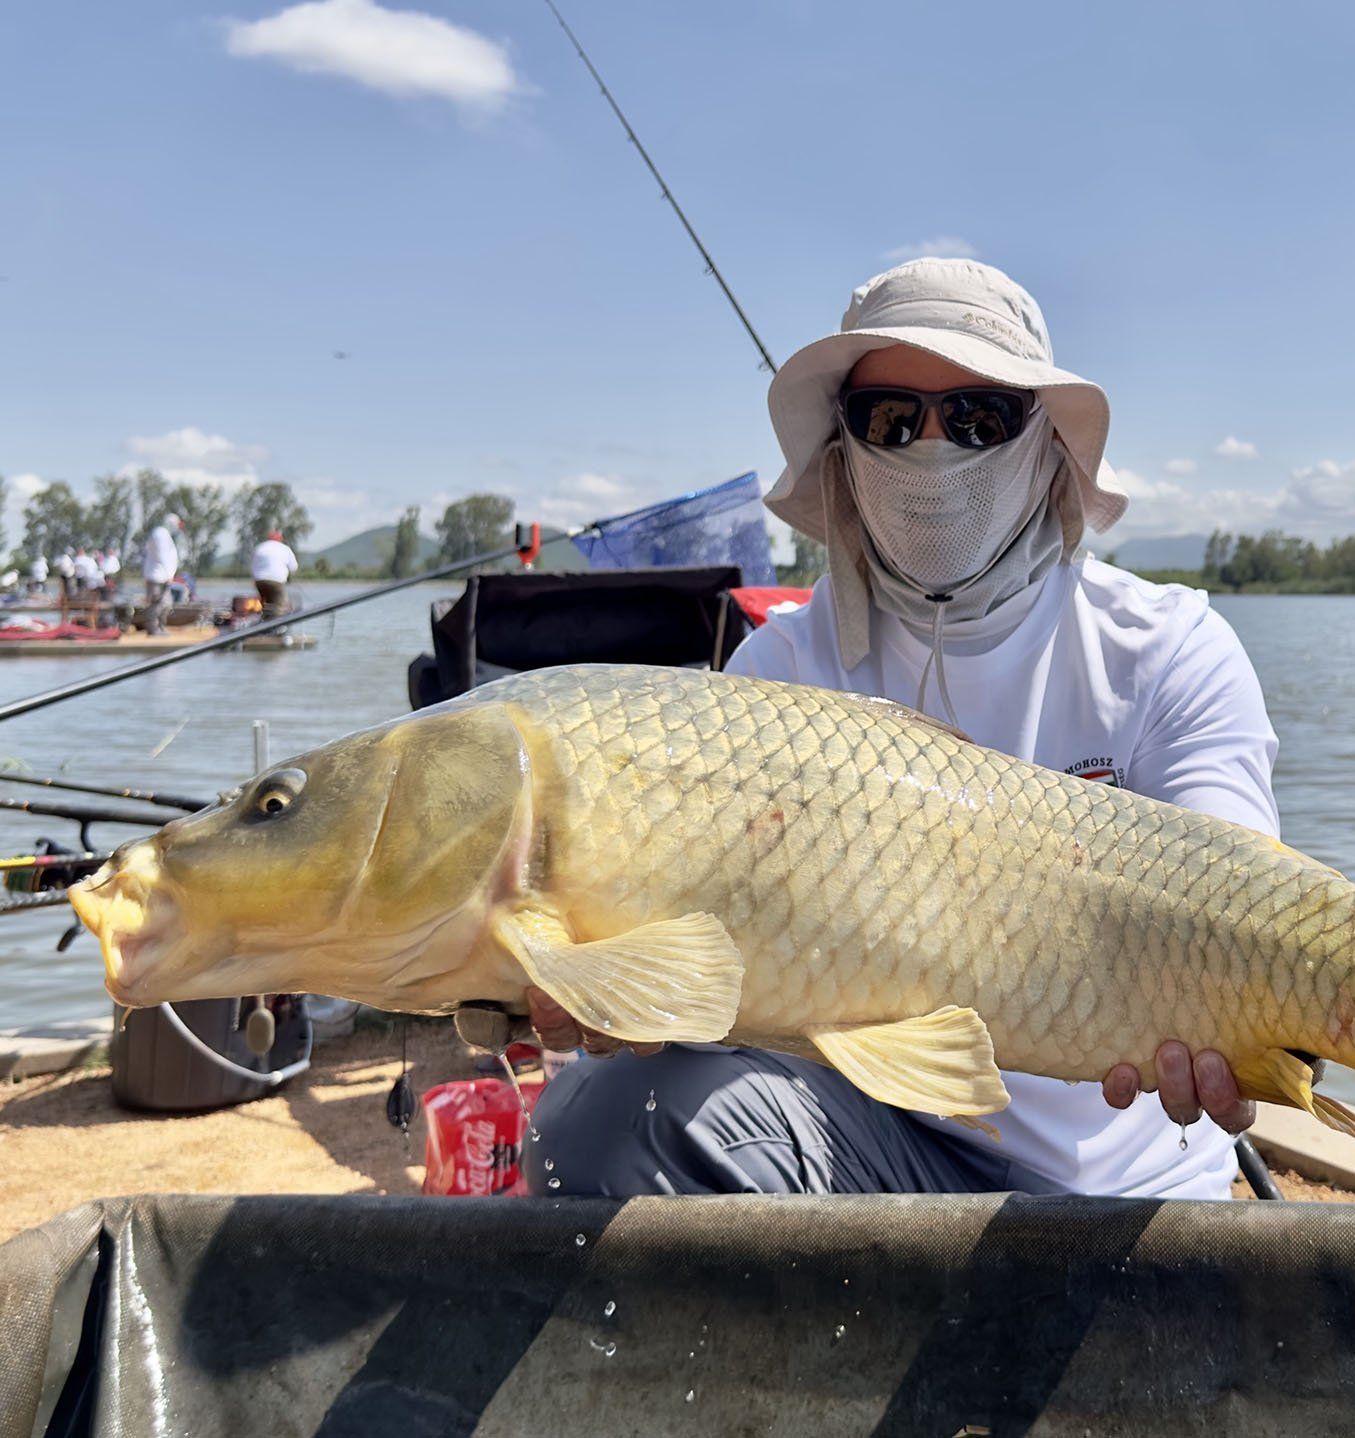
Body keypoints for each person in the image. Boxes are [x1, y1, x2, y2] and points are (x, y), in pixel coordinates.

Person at [531, 259, 1302, 1201]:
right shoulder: (776, 672)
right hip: (882, 1154)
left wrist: (1272, 1023)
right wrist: (625, 995)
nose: (932, 447)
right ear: (843, 450)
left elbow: (1254, 908)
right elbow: (707, 963)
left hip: (1135, 1187)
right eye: (890, 419)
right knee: (601, 1117)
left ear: (1047, 441)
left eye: (980, 417)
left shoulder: (1171, 651)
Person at [142, 514, 182, 635]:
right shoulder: (160, 533)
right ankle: (153, 629)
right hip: (157, 576)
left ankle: (160, 627)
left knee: (166, 603)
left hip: (162, 576)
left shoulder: (164, 534)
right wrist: (169, 574)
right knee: (156, 603)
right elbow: (161, 554)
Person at [249, 530, 298, 615]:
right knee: (279, 605)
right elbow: (294, 567)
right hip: (276, 581)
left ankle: (264, 621)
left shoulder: (260, 547)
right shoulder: (284, 548)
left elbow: (253, 565)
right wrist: (289, 576)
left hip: (259, 581)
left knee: (265, 603)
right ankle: (277, 624)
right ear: (280, 539)